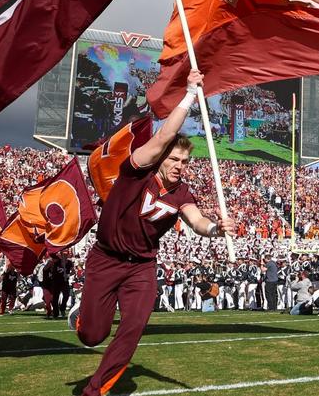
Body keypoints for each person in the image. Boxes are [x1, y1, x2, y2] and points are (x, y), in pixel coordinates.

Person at [69, 70, 235, 396]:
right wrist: (189, 94)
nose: (179, 165)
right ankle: (81, 316)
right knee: (92, 335)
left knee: (134, 326)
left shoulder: (183, 192)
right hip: (107, 258)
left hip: (142, 266)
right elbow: (160, 138)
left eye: (185, 161)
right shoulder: (136, 172)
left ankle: (95, 390)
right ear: (160, 158)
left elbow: (197, 221)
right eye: (174, 159)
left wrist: (216, 229)